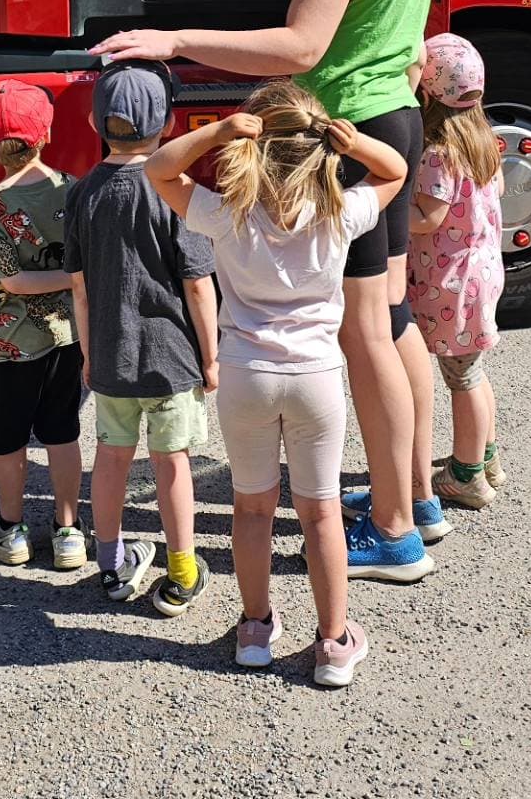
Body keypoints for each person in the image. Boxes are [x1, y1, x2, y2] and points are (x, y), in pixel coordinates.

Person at [93, 0, 440, 581]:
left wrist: (175, 39)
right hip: (391, 123)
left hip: (344, 128)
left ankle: (394, 533)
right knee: (390, 323)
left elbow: (301, 48)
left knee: (364, 336)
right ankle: (412, 495)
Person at [145, 81, 410, 687]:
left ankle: (255, 629)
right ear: (323, 150)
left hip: (246, 375)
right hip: (315, 376)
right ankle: (335, 642)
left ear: (253, 148)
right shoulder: (341, 211)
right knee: (320, 515)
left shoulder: (226, 211)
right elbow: (394, 172)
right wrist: (359, 141)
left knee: (251, 508)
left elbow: (160, 172)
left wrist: (216, 130)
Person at [63, 62, 220, 615]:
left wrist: (88, 353)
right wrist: (212, 356)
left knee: (110, 458)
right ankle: (182, 571)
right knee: (171, 462)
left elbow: (79, 289)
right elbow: (199, 287)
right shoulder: (174, 192)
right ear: (171, 123)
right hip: (172, 357)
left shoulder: (82, 194)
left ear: (93, 121)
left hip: (109, 354)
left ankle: (110, 565)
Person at [0, 80, 87, 571]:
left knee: (8, 440)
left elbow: (10, 281)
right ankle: (68, 531)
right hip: (65, 336)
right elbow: (82, 262)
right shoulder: (73, 190)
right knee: (63, 433)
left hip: (4, 344)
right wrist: (77, 278)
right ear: (48, 133)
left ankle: (11, 530)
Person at [404, 33, 508, 508]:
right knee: (472, 371)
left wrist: (386, 212)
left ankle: (467, 475)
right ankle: (485, 457)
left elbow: (428, 217)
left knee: (461, 378)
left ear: (426, 93)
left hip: (453, 282)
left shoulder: (436, 152)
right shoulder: (485, 141)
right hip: (482, 271)